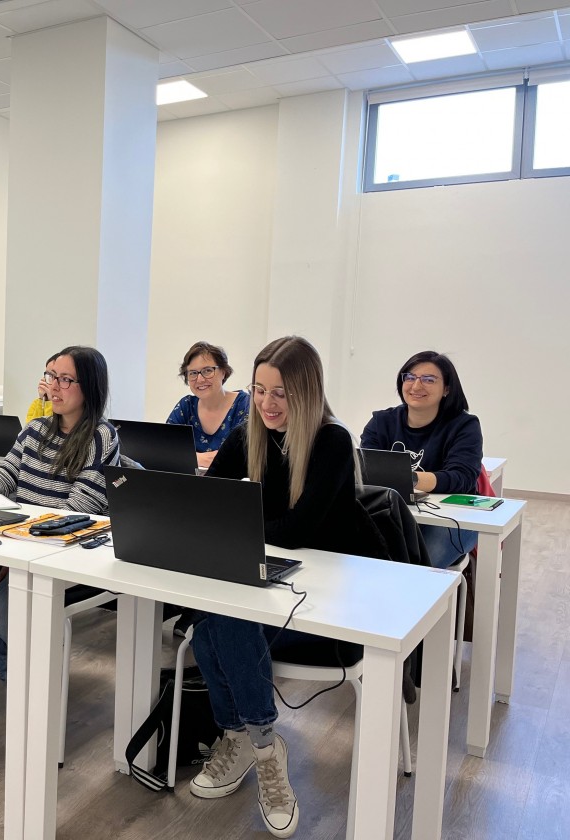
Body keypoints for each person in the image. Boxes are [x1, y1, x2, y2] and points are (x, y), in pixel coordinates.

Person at [187, 336, 386, 839]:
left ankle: (249, 742)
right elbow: (210, 507)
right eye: (258, 390)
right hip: (267, 589)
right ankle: (258, 742)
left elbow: (297, 531)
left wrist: (237, 528)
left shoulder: (331, 441)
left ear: (308, 392)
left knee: (218, 621)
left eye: (282, 393)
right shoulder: (246, 436)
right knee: (214, 620)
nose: (268, 404)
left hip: (327, 605)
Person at [0, 346, 120, 682]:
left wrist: (12, 552)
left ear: (90, 387)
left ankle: (33, 689)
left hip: (64, 551)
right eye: (51, 376)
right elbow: (4, 475)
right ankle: (20, 678)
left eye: (66, 380)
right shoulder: (36, 428)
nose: (54, 386)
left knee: (2, 607)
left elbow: (76, 511)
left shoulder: (102, 437)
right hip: (19, 543)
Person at [360, 350, 483, 568]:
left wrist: (410, 479)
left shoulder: (464, 425)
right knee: (362, 560)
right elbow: (366, 470)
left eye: (428, 380)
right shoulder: (382, 421)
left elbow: (461, 478)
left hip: (453, 518)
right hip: (392, 514)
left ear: (447, 388)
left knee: (416, 569)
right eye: (409, 377)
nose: (416, 386)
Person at [166, 341, 250, 470]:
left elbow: (243, 455)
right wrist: (199, 458)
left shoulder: (244, 404)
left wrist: (189, 457)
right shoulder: (186, 406)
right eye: (193, 373)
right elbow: (166, 450)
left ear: (223, 372)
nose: (200, 379)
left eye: (207, 371)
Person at [25, 353, 58, 422]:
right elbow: (31, 428)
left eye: (52, 375)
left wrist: (50, 401)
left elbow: (53, 426)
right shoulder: (36, 403)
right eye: (48, 375)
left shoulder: (63, 404)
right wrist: (42, 399)